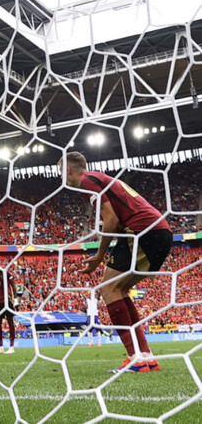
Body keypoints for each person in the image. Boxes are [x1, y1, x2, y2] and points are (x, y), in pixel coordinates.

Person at [60, 151, 171, 373]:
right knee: (118, 290)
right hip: (158, 231)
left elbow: (111, 220)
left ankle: (135, 358)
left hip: (143, 232)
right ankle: (145, 357)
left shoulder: (87, 181)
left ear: (68, 170)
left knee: (108, 288)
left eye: (60, 172)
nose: (60, 177)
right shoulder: (99, 179)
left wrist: (100, 256)